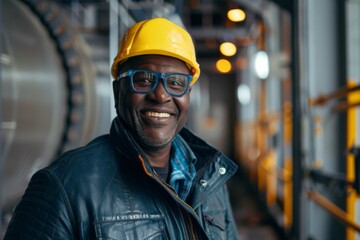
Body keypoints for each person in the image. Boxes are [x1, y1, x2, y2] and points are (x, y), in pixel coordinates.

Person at [4, 17, 239, 239]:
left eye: (176, 83)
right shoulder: (64, 187)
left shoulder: (210, 179)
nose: (160, 95)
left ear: (188, 96)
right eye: (144, 79)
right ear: (118, 93)